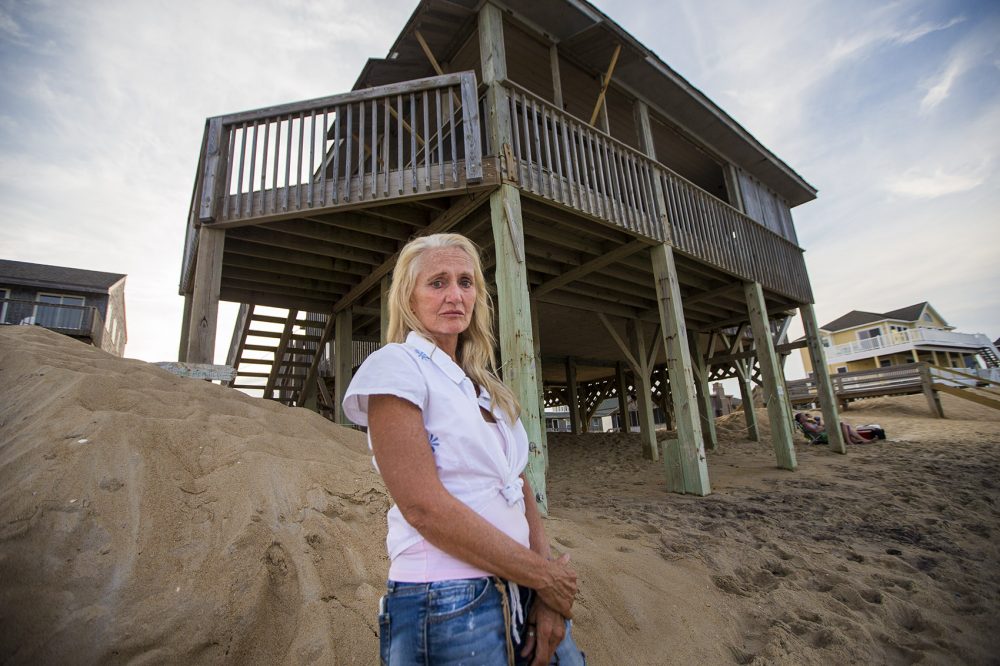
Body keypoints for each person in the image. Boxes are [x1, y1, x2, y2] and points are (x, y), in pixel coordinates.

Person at [343, 233, 585, 665]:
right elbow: (424, 508)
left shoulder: (486, 388)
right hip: (446, 599)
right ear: (408, 297)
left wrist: (545, 593)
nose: (455, 295)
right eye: (437, 283)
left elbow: (518, 484)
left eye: (465, 282)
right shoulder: (396, 366)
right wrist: (544, 576)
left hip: (523, 587)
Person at [794, 412, 871, 445]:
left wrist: (818, 422)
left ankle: (860, 441)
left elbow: (819, 426)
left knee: (846, 427)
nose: (806, 416)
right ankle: (850, 441)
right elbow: (816, 430)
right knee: (843, 425)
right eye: (804, 416)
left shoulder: (809, 422)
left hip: (824, 432)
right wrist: (826, 426)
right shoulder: (805, 424)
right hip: (823, 435)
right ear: (801, 419)